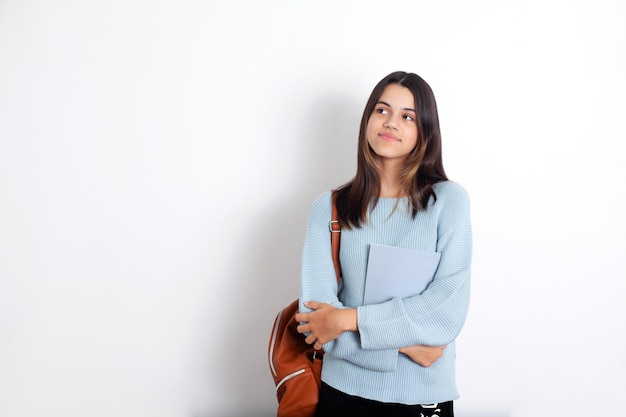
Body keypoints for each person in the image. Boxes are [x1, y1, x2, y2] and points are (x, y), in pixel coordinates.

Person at [295, 71, 472, 417]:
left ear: (425, 131)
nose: (391, 123)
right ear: (367, 120)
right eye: (382, 110)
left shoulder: (449, 202)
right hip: (342, 392)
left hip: (422, 395)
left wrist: (348, 319)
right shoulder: (329, 207)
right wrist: (406, 345)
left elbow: (445, 313)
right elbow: (318, 321)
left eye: (407, 116)